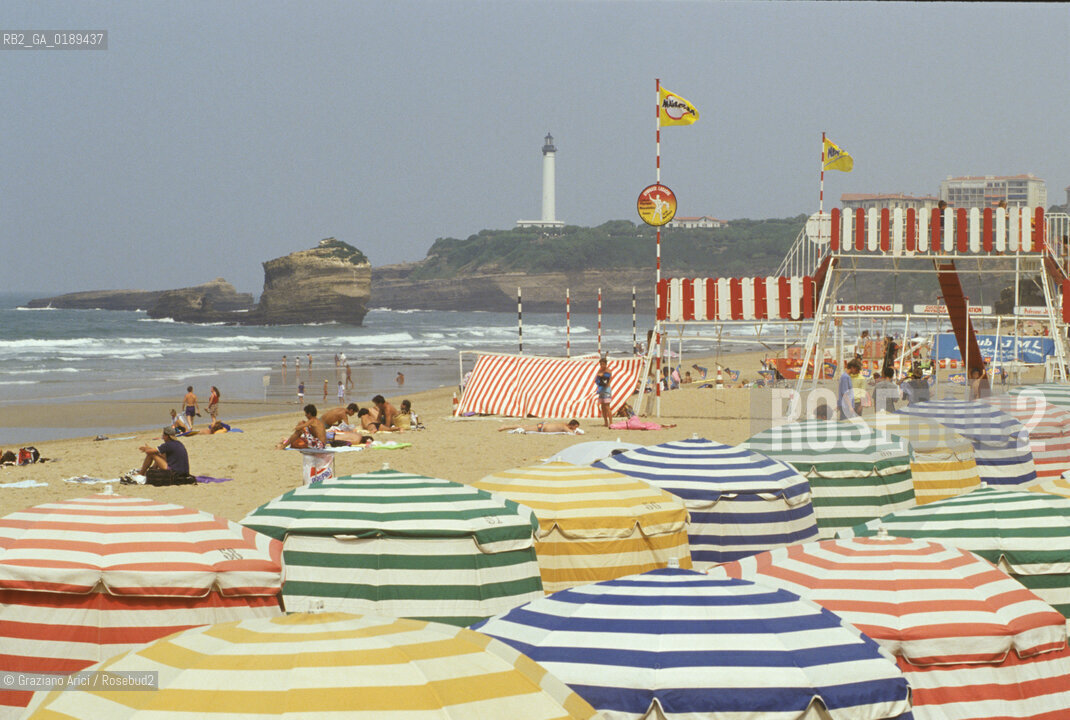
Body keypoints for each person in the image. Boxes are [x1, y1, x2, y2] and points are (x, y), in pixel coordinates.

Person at [594, 357, 612, 428]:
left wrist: (601, 375)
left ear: (606, 364)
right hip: (601, 390)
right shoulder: (600, 370)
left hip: (606, 390)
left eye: (603, 364)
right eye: (601, 364)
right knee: (602, 407)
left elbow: (606, 378)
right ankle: (605, 422)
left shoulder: (608, 371)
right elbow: (597, 379)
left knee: (607, 406)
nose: (602, 365)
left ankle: (611, 422)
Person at [498, 420, 581, 434]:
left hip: (543, 426)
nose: (575, 428)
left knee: (525, 427)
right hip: (542, 427)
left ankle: (506, 426)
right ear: (572, 425)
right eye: (575, 427)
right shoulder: (564, 426)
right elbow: (571, 433)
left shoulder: (564, 424)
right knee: (524, 428)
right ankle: (505, 426)